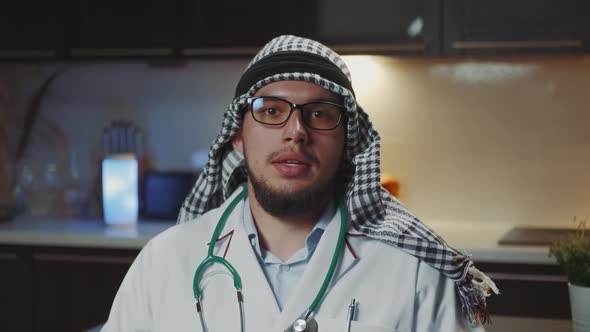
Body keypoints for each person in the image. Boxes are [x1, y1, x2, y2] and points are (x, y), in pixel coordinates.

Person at [102, 35, 498, 332]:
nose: (296, 132)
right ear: (236, 137)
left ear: (347, 142)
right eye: (271, 110)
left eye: (320, 114)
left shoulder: (414, 275)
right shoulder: (164, 263)